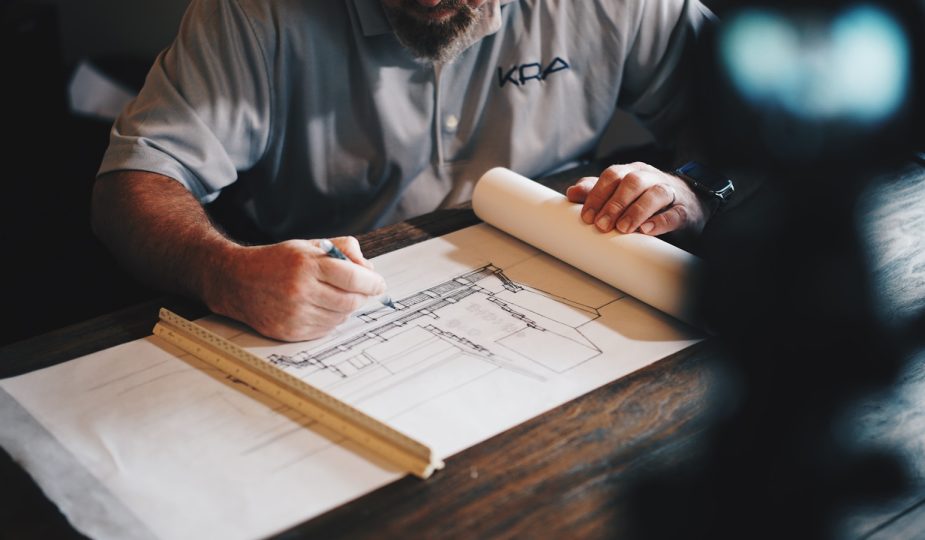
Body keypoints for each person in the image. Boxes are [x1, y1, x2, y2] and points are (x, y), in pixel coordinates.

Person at [92, 0, 716, 342]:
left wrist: (692, 186)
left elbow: (771, 125)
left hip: (575, 305)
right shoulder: (253, 14)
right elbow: (133, 183)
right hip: (329, 309)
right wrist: (222, 271)